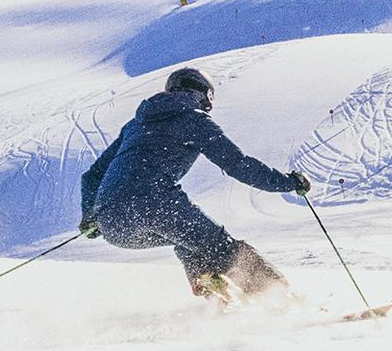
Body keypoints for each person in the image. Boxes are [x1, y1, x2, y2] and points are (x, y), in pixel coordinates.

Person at [85, 66, 310, 305]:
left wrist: (90, 215)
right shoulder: (193, 119)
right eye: (209, 96)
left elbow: (92, 175)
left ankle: (218, 297)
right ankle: (284, 300)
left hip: (113, 224)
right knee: (225, 249)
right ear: (202, 93)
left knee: (188, 241)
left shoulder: (135, 125)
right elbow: (238, 164)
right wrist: (288, 182)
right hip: (154, 202)